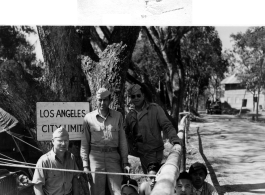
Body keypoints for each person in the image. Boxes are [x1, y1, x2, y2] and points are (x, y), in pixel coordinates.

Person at [80, 88, 129, 195]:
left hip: (113, 158)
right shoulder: (88, 118)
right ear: (96, 101)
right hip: (95, 158)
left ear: (110, 100)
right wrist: (85, 165)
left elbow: (122, 140)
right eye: (100, 100)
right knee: (96, 192)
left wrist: (125, 161)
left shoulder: (118, 116)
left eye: (105, 100)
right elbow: (84, 142)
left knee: (118, 191)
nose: (102, 103)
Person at [125, 84, 182, 174]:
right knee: (149, 179)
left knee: (154, 176)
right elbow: (125, 133)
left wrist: (174, 138)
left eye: (138, 95)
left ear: (143, 95)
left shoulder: (155, 109)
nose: (136, 98)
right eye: (133, 96)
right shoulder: (130, 115)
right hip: (141, 153)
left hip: (155, 152)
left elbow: (167, 125)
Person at [32, 127, 79, 195]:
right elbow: (37, 186)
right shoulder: (44, 161)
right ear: (53, 141)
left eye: (66, 140)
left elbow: (75, 178)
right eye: (60, 141)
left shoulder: (71, 158)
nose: (63, 144)